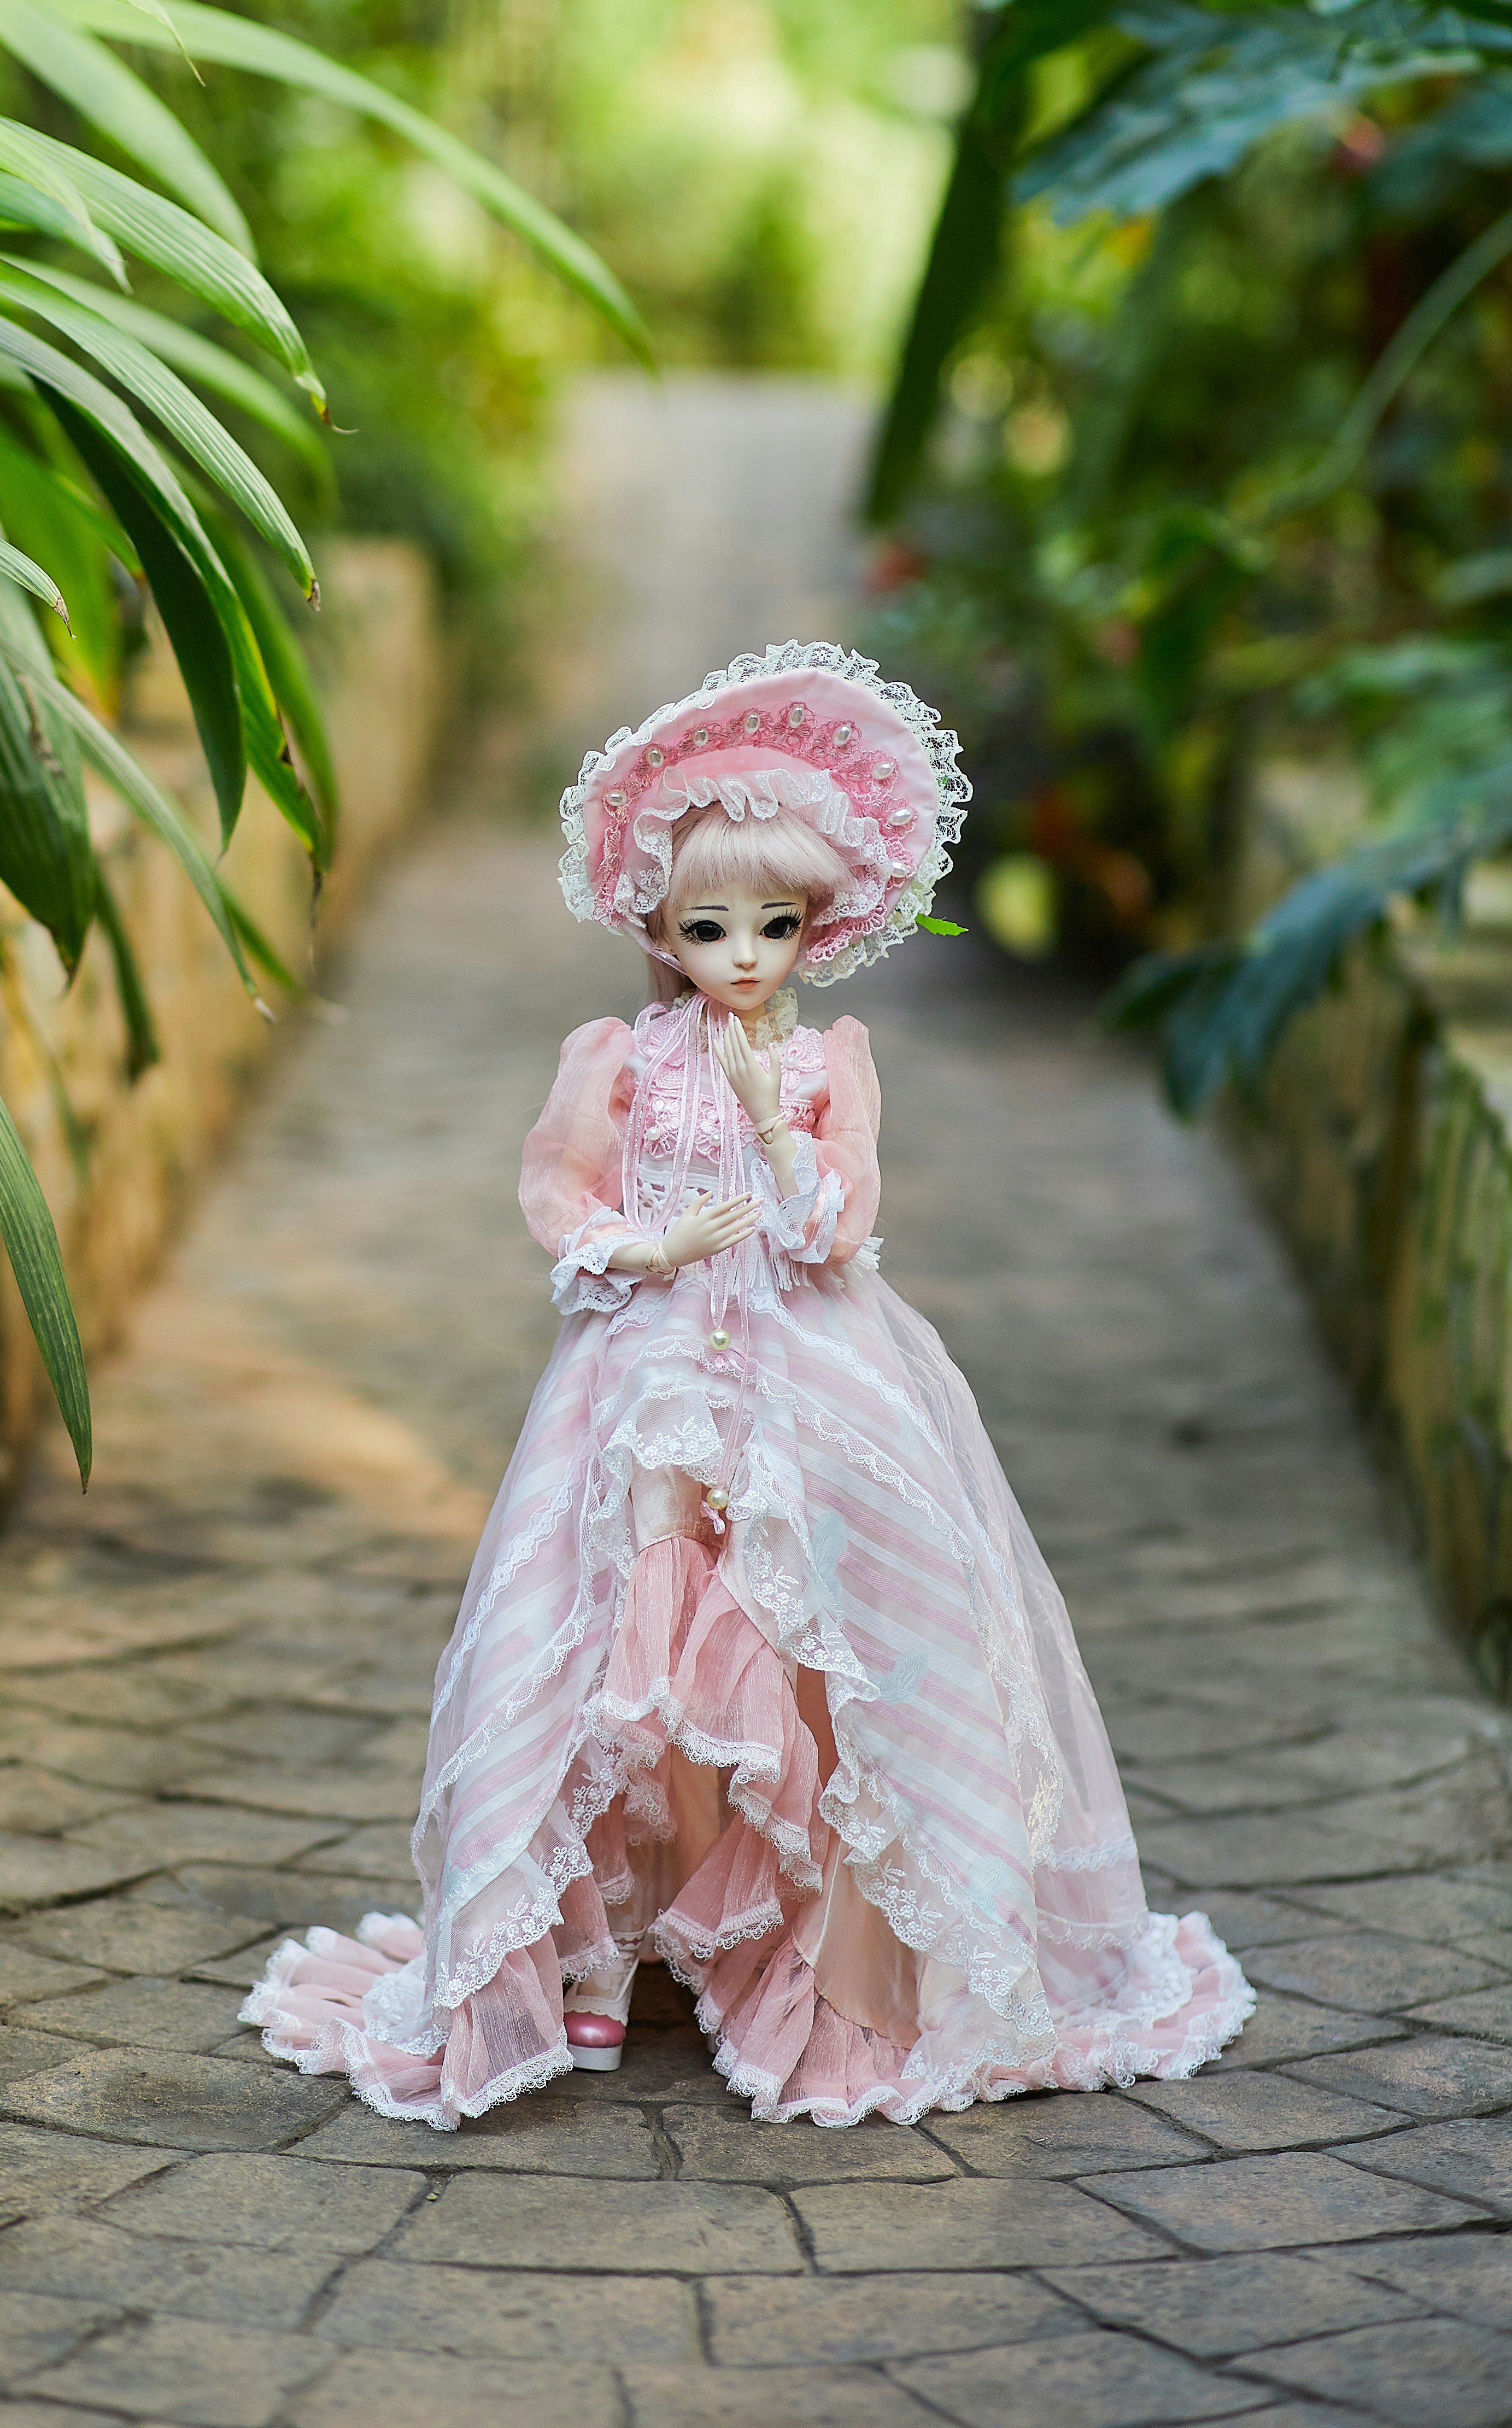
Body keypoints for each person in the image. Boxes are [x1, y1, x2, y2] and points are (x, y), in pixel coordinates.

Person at [244, 642, 1251, 2126]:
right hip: (647, 1372)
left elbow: (840, 1224)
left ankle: (804, 1940)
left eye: (773, 926)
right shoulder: (622, 1057)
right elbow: (561, 1196)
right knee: (620, 1639)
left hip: (809, 1364)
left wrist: (783, 1141)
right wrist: (650, 1241)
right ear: (659, 921)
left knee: (824, 1630)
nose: (742, 955)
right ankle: (597, 1957)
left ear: (815, 928)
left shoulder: (832, 1065)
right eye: (711, 926)